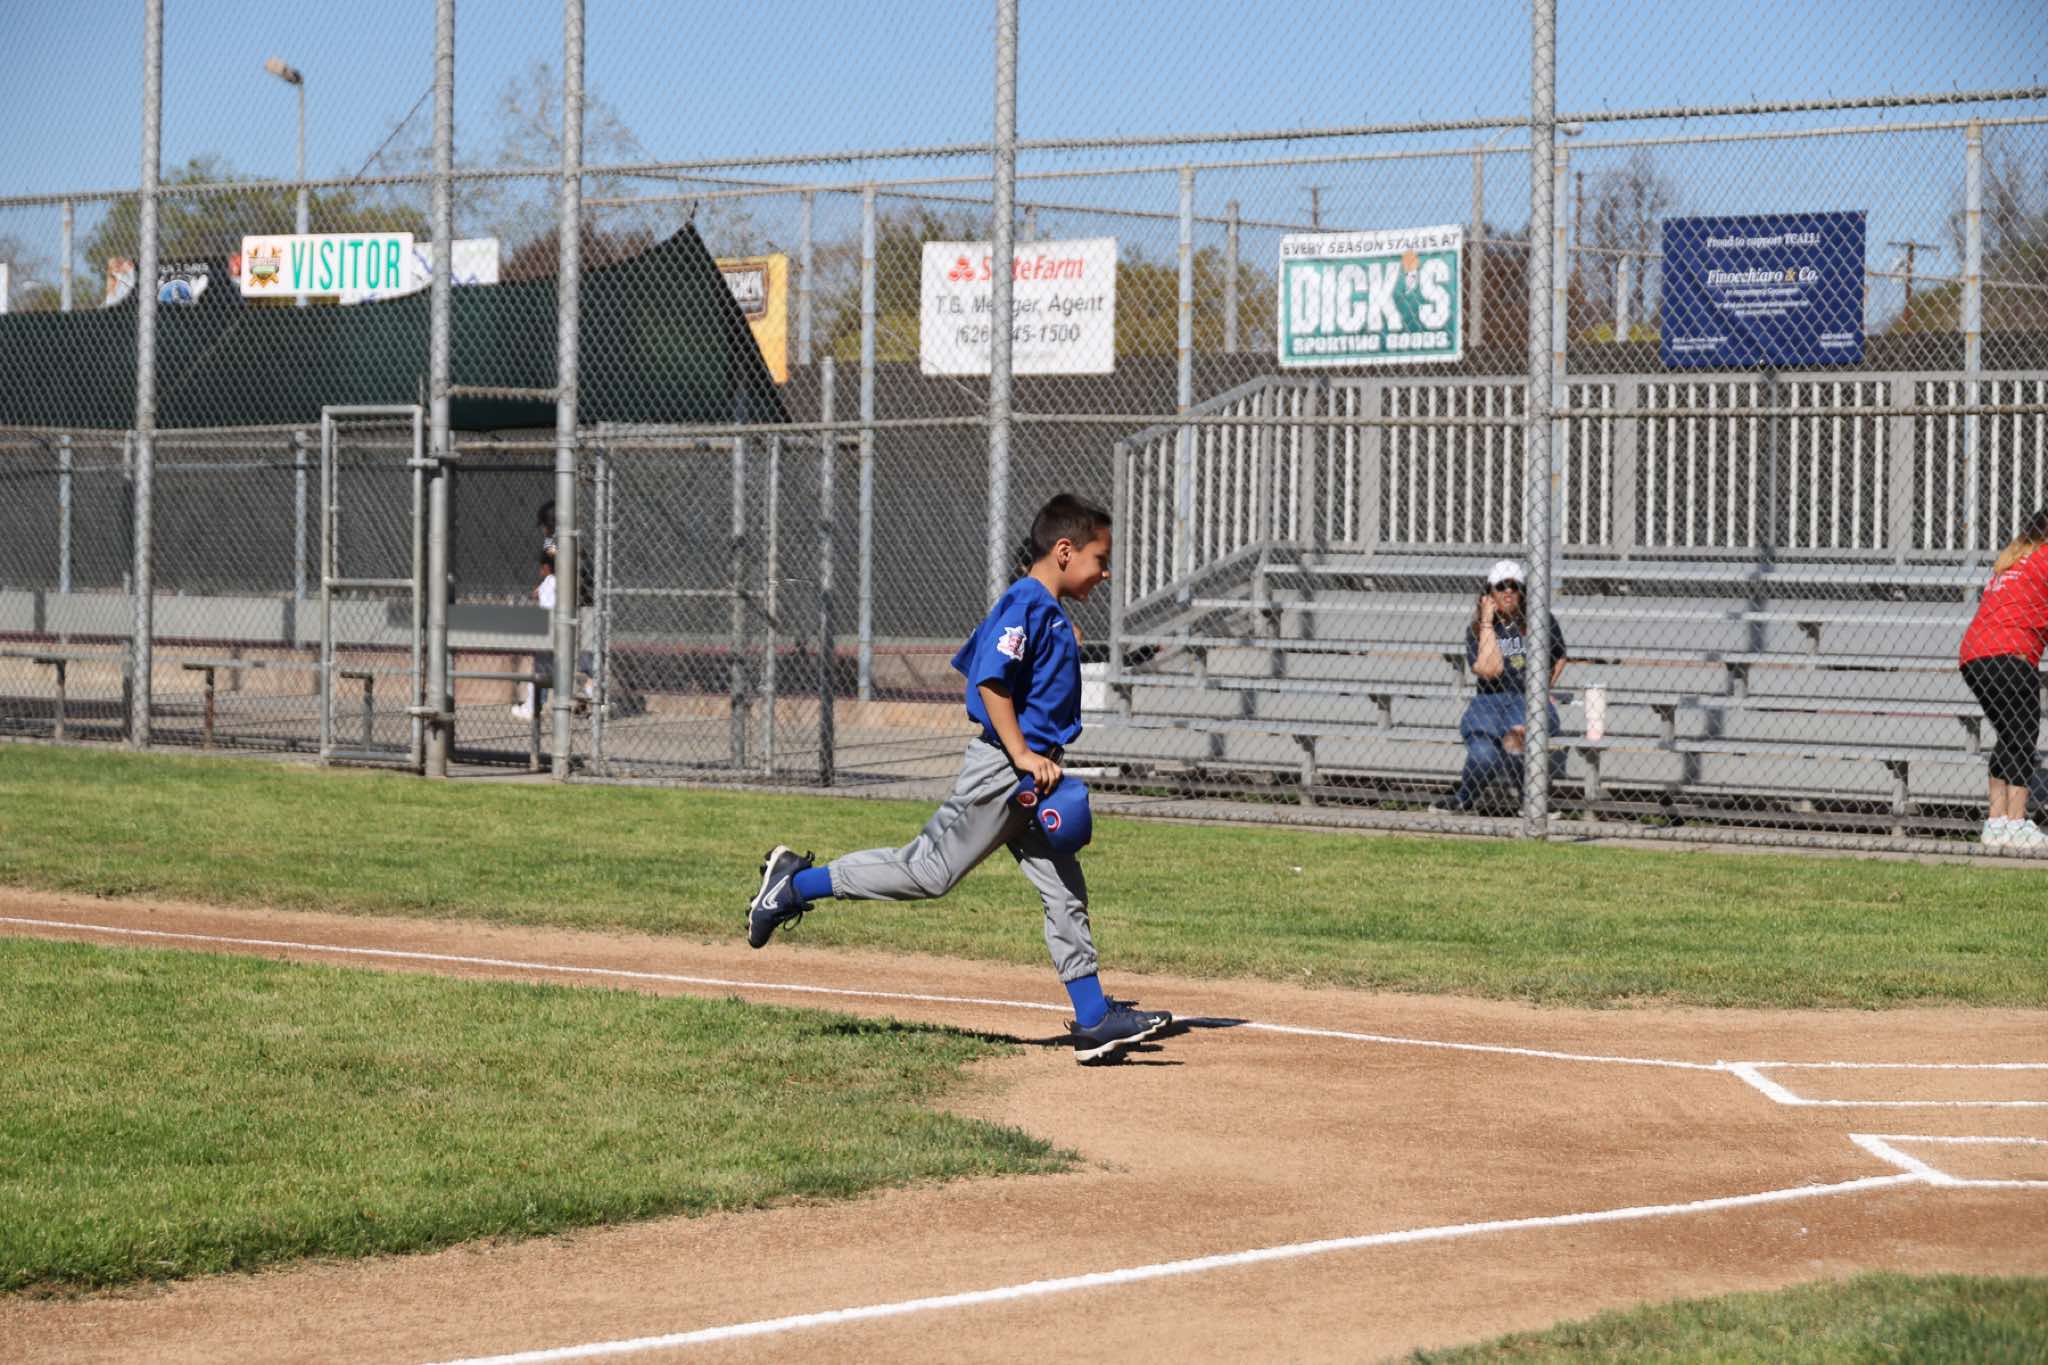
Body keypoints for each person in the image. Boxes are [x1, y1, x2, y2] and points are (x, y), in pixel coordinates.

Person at [745, 493, 1174, 1064]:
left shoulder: (1043, 610)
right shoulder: (1026, 602)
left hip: (1032, 776)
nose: (1106, 572)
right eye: (1101, 558)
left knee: (1064, 890)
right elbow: (991, 680)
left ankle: (1094, 1019)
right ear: (1065, 551)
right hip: (1003, 772)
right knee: (927, 873)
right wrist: (1022, 754)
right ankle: (793, 885)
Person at [1431, 560, 1568, 814]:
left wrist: (1544, 689)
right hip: (1489, 702)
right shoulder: (1477, 630)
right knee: (1483, 754)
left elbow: (1559, 656)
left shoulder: (1541, 620)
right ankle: (1464, 798)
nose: (1508, 592)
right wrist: (1486, 622)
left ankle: (1531, 803)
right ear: (1489, 593)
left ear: (1522, 592)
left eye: (1514, 586)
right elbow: (1490, 670)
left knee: (1516, 737)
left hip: (1527, 699)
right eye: (1501, 586)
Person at [1959, 507, 2048, 848]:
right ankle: (2016, 822)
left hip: (1975, 656)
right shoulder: (2044, 558)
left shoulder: (2014, 560)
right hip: (2010, 655)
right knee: (2023, 736)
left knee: (2009, 737)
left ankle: (1995, 823)